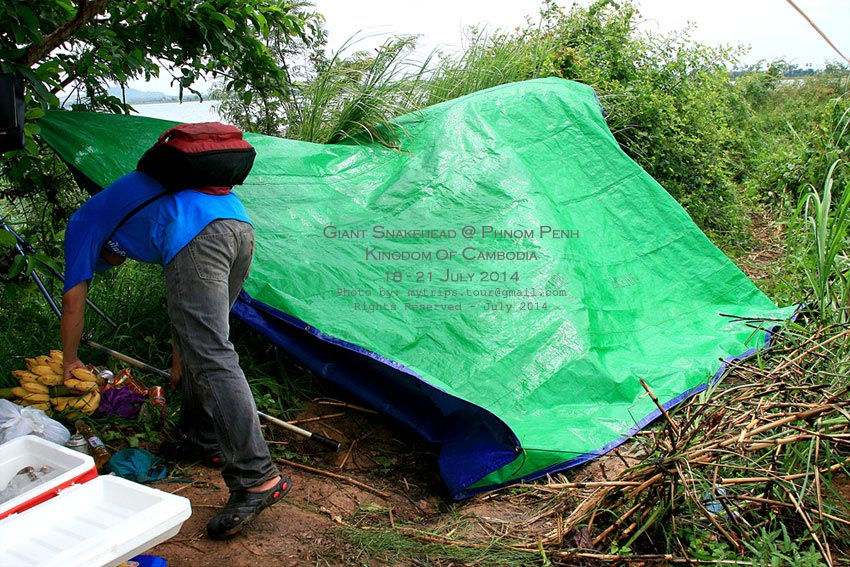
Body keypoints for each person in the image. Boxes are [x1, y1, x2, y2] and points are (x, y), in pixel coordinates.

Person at [60, 167, 290, 540]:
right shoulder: (131, 209)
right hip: (238, 227)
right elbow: (182, 299)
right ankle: (204, 438)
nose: (115, 265)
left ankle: (256, 477)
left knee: (213, 355)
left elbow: (73, 300)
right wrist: (180, 355)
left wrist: (70, 360)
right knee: (207, 347)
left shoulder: (84, 222)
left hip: (200, 235)